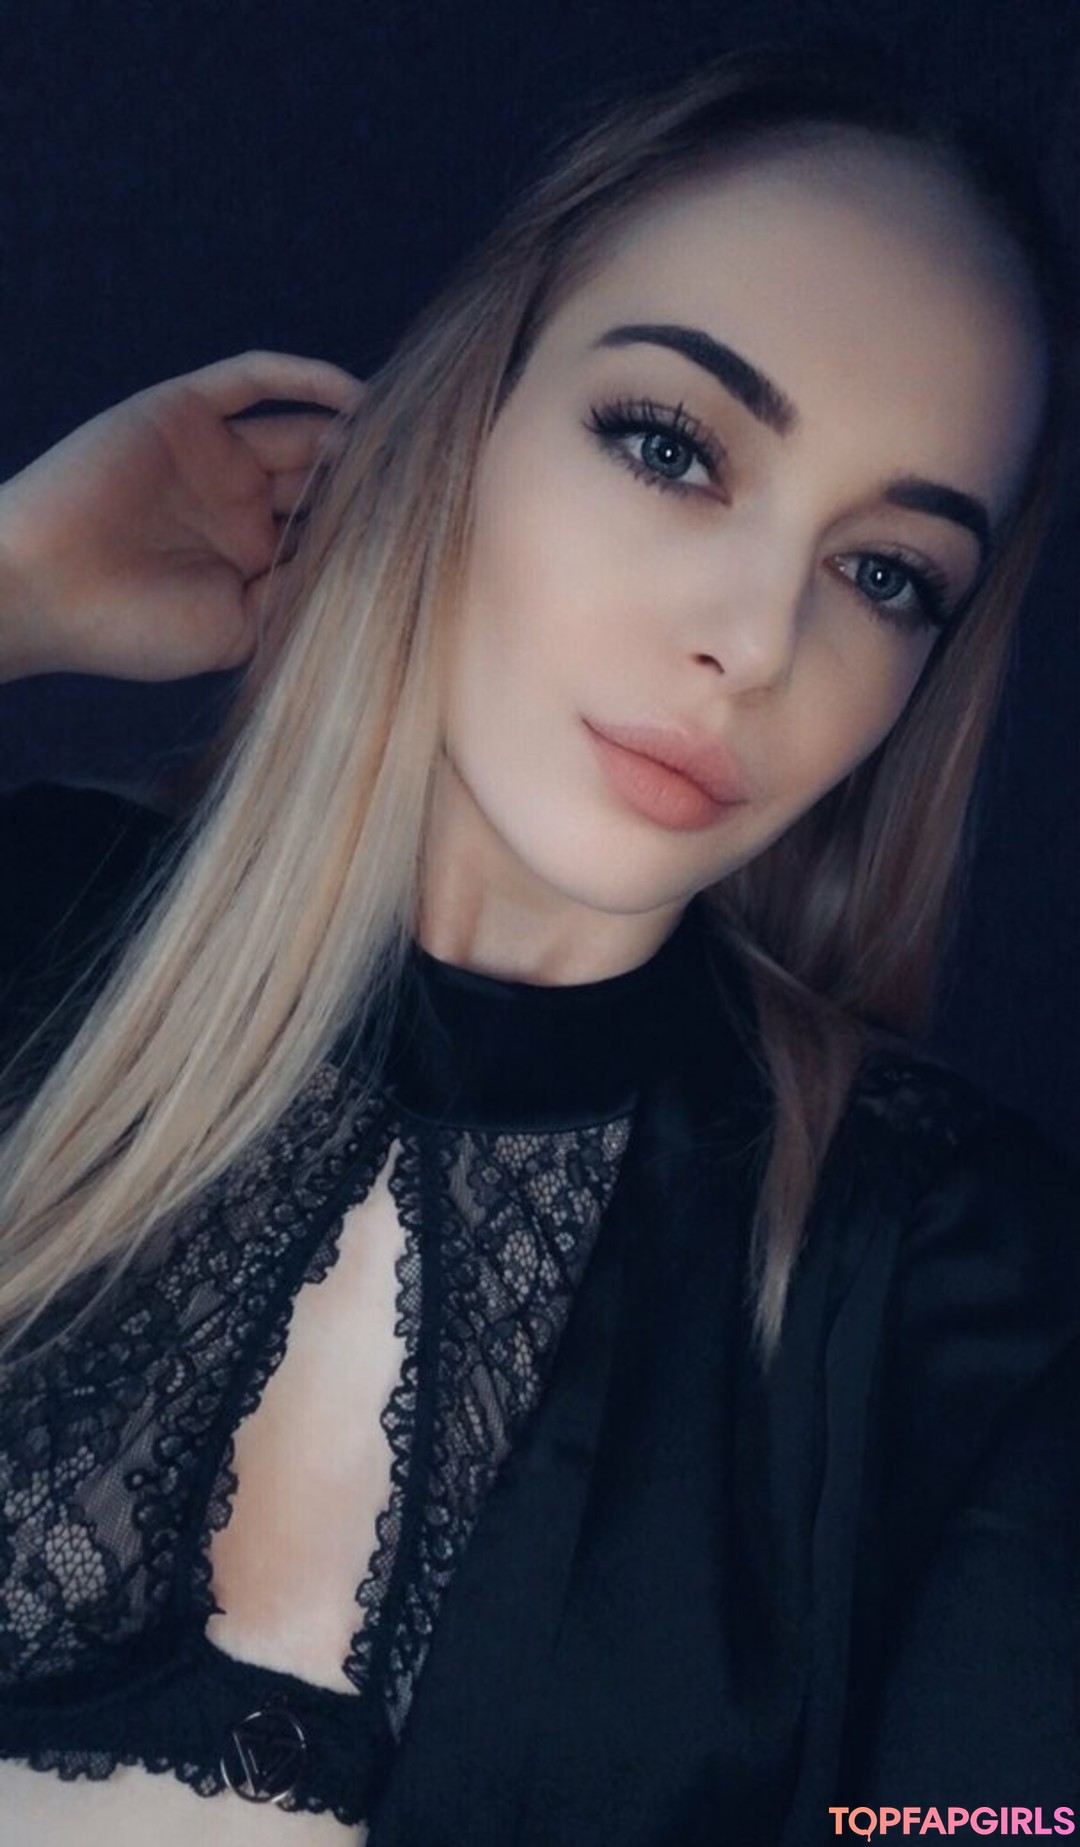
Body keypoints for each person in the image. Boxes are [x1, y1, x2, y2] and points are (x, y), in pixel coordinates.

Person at [0, 45, 1078, 1847]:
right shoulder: (31, 933)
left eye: (887, 573)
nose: (756, 640)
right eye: (672, 446)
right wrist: (14, 586)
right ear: (466, 420)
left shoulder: (955, 1286)